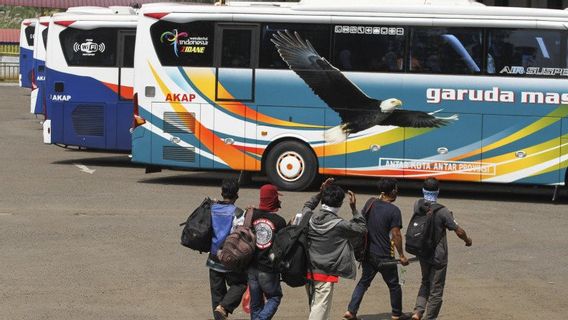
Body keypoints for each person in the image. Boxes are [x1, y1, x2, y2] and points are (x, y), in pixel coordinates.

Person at [343, 178, 409, 320]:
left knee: (363, 282)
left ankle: (351, 311)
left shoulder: (370, 202)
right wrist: (402, 255)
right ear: (391, 191)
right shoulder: (394, 210)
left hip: (368, 253)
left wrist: (353, 207)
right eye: (396, 189)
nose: (397, 191)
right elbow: (396, 234)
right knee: (394, 285)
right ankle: (396, 314)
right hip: (385, 256)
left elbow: (360, 220)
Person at [301, 178, 367, 320]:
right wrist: (354, 209)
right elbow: (362, 229)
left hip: (308, 269)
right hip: (325, 273)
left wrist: (320, 192)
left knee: (315, 305)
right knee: (320, 307)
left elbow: (307, 205)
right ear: (340, 204)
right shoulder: (340, 225)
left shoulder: (308, 217)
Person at [411, 177, 472, 320]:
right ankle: (430, 317)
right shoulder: (443, 211)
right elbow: (459, 231)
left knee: (425, 281)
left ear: (423, 190)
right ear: (437, 191)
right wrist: (467, 240)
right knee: (436, 288)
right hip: (438, 255)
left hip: (423, 252)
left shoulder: (417, 204)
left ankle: (418, 312)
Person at [207, 179, 248, 320]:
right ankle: (224, 306)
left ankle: (220, 309)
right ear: (236, 195)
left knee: (216, 294)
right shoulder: (238, 213)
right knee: (240, 284)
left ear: (222, 192)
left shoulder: (211, 209)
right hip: (230, 259)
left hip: (213, 258)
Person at [247, 184, 287, 320]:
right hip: (268, 268)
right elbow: (283, 245)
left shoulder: (251, 215)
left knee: (256, 303)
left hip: (252, 267)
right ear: (274, 199)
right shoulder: (280, 222)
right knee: (275, 297)